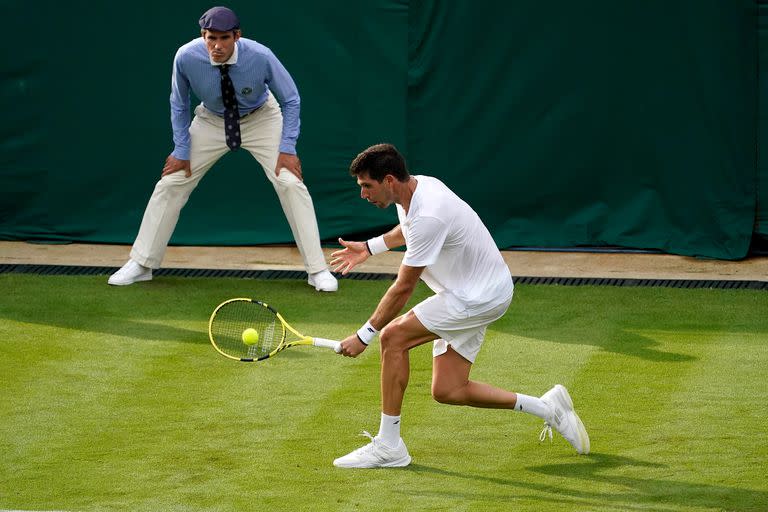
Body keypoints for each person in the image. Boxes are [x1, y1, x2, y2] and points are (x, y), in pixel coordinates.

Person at [329, 143, 589, 468]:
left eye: (367, 186)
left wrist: (364, 335)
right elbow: (408, 231)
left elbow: (403, 287)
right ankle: (547, 408)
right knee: (449, 389)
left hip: (476, 297)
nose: (364, 194)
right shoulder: (416, 190)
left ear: (390, 180)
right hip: (482, 290)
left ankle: (389, 447)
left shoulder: (428, 213)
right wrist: (370, 247)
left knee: (392, 338)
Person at [108, 6, 337, 292]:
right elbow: (178, 103)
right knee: (171, 182)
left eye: (224, 38)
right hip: (211, 121)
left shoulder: (261, 56)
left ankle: (317, 270)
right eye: (210, 38)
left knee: (290, 183)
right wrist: (181, 149)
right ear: (202, 36)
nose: (216, 46)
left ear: (237, 36)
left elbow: (291, 99)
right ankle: (141, 264)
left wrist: (287, 147)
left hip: (261, 118)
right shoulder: (186, 56)